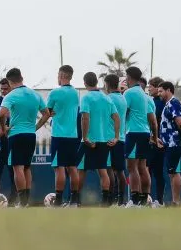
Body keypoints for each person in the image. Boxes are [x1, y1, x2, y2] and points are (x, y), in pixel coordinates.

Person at [0, 68, 48, 206]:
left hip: (16, 134)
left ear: (9, 81)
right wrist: (35, 127)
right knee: (27, 167)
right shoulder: (35, 95)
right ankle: (26, 201)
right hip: (30, 135)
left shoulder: (11, 95)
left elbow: (1, 114)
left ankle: (22, 202)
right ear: (22, 77)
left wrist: (4, 129)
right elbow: (46, 113)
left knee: (17, 167)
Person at [77, 72, 120, 205]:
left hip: (90, 140)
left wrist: (85, 137)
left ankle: (76, 200)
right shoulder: (107, 98)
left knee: (80, 169)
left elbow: (85, 117)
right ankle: (105, 202)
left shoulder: (86, 98)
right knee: (102, 170)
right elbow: (117, 118)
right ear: (97, 82)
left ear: (85, 83)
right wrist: (116, 137)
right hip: (104, 140)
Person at [42, 65, 80, 206]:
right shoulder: (75, 93)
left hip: (59, 135)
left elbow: (46, 112)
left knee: (59, 167)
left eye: (58, 75)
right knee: (72, 167)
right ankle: (74, 200)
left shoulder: (55, 93)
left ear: (62, 75)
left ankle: (58, 201)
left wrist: (47, 115)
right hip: (73, 135)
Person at [124, 66, 159, 207]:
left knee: (132, 167)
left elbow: (123, 113)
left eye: (126, 77)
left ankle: (134, 199)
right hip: (145, 134)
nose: (125, 80)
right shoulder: (147, 98)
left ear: (129, 77)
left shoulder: (129, 93)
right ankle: (144, 199)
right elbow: (153, 121)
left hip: (133, 133)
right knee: (143, 167)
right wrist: (154, 137)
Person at [159, 81, 181, 205]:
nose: (159, 93)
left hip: (175, 143)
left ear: (168, 90)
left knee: (175, 172)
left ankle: (176, 202)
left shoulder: (174, 102)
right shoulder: (168, 104)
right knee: (172, 173)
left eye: (161, 91)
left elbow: (180, 122)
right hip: (169, 144)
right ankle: (174, 201)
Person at [104, 73, 128, 204]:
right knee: (119, 171)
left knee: (109, 171)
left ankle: (109, 200)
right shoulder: (123, 99)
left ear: (107, 84)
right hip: (121, 139)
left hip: (108, 139)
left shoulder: (107, 99)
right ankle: (121, 200)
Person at [0, 76, 16, 203]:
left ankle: (14, 199)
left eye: (6, 88)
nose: (3, 91)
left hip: (12, 140)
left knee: (13, 169)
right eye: (1, 89)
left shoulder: (16, 100)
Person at [146, 76, 167, 206]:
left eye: (151, 86)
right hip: (150, 141)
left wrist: (155, 138)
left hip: (158, 142)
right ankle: (146, 198)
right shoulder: (150, 101)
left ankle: (159, 201)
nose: (149, 88)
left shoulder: (160, 103)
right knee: (146, 170)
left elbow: (155, 122)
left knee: (157, 172)